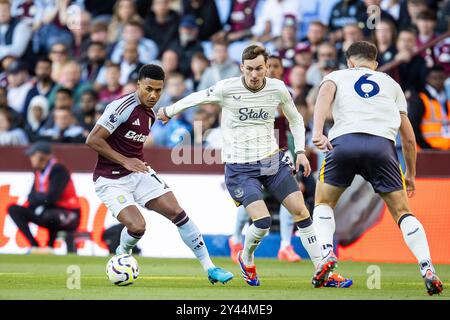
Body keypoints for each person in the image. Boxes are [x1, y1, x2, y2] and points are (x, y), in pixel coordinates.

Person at [157, 45, 333, 287]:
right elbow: (197, 97)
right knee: (261, 223)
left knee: (301, 211)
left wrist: (301, 152)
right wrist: (169, 110)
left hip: (272, 160)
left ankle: (322, 271)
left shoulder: (277, 88)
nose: (254, 74)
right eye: (249, 69)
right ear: (242, 67)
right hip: (240, 167)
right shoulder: (227, 88)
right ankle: (246, 256)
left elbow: (295, 119)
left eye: (259, 68)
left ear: (266, 68)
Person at [311, 40, 443, 295]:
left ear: (349, 62)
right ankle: (427, 268)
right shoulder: (391, 84)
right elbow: (408, 138)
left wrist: (317, 132)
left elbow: (324, 96)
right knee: (403, 212)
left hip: (344, 143)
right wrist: (411, 175)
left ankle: (326, 254)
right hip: (382, 148)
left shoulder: (336, 76)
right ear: (375, 63)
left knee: (323, 203)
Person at [85, 64, 233, 285]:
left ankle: (210, 268)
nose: (153, 95)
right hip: (111, 179)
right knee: (137, 227)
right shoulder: (122, 107)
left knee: (178, 213)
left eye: (158, 90)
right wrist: (125, 160)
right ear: (138, 85)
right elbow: (93, 140)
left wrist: (133, 161)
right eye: (148, 89)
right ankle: (122, 252)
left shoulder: (152, 113)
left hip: (139, 172)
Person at [8, 141, 81, 253]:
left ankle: (50, 246)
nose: (31, 158)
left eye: (33, 155)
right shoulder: (38, 172)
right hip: (47, 210)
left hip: (70, 214)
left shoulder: (58, 169)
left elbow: (52, 198)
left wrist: (39, 198)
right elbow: (31, 197)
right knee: (13, 209)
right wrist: (41, 198)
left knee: (50, 215)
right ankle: (34, 245)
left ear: (43, 156)